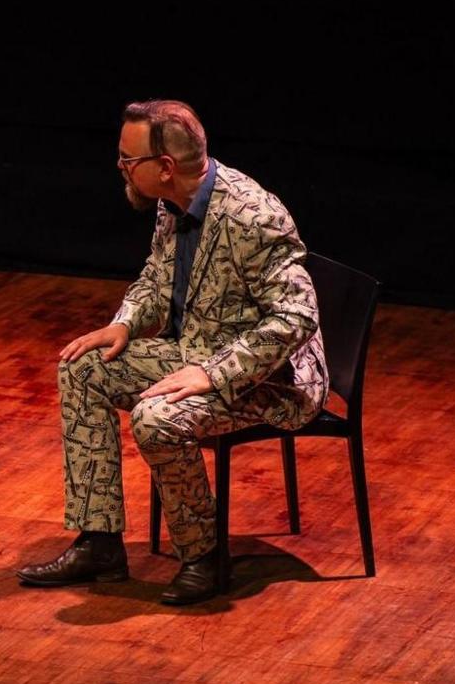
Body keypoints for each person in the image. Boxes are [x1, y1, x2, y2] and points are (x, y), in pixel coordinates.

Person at [17, 99, 328, 605]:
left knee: (156, 417)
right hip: (193, 347)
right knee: (84, 369)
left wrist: (213, 373)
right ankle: (99, 542)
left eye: (127, 160)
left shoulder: (252, 216)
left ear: (164, 168)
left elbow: (297, 317)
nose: (119, 168)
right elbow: (158, 275)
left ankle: (204, 556)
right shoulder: (174, 201)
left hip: (270, 378)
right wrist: (125, 323)